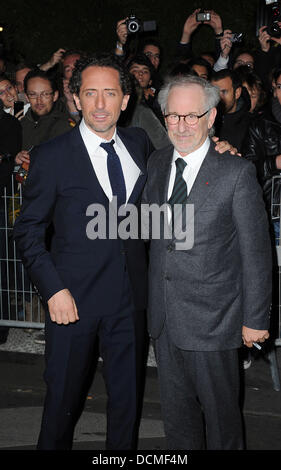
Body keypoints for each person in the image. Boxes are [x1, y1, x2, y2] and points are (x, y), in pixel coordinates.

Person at [13, 52, 153, 450]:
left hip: (130, 300)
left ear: (126, 100)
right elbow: (28, 230)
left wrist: (219, 151)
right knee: (62, 403)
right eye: (90, 93)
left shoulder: (139, 143)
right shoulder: (52, 156)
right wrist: (53, 289)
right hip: (72, 301)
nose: (100, 104)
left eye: (110, 93)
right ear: (75, 99)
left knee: (128, 404)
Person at [142, 74, 272, 450]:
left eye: (191, 116)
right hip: (165, 318)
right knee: (178, 421)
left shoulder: (236, 172)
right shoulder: (157, 163)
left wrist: (255, 319)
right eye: (172, 116)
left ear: (211, 117)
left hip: (215, 321)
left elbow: (256, 252)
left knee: (222, 422)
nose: (181, 126)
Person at [211, 68, 252, 152]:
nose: (218, 98)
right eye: (214, 92)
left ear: (237, 93)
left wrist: (234, 155)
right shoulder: (203, 119)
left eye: (224, 92)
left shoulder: (251, 125)